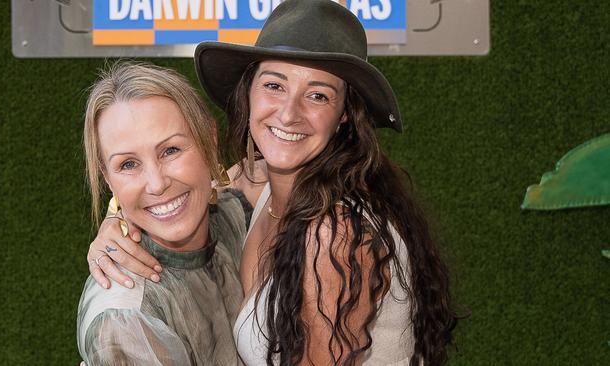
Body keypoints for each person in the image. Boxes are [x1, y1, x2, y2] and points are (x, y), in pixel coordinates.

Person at [87, 1, 458, 365]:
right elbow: (178, 189)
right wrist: (117, 221)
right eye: (274, 85)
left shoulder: (334, 235)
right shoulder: (257, 182)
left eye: (317, 95)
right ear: (248, 91)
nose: (289, 113)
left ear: (344, 114)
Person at [76, 62, 264, 365]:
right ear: (107, 178)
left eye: (171, 150)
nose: (157, 183)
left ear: (209, 140)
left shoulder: (232, 214)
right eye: (127, 164)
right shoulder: (126, 317)